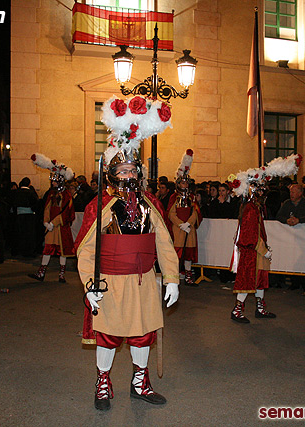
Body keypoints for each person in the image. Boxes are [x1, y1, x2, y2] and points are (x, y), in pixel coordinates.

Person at [76, 95, 179, 411]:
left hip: (144, 282)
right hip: (110, 283)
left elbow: (164, 243)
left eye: (132, 169)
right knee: (107, 337)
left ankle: (140, 383)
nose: (127, 175)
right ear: (109, 173)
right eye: (121, 170)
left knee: (142, 335)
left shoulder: (151, 204)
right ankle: (103, 383)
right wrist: (88, 286)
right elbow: (85, 251)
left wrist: (172, 279)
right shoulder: (99, 206)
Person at [228, 154, 301, 323]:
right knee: (247, 281)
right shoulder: (251, 209)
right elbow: (250, 235)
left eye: (262, 188)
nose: (262, 191)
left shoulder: (255, 207)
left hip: (258, 250)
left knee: (260, 279)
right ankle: (237, 310)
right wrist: (263, 250)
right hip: (252, 251)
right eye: (258, 188)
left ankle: (260, 308)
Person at [28, 153, 76, 282]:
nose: (53, 182)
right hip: (50, 227)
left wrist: (54, 223)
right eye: (52, 180)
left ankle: (61, 275)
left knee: (63, 251)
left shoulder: (66, 195)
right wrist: (45, 221)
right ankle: (41, 272)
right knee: (47, 249)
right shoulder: (51, 193)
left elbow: (67, 213)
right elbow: (47, 208)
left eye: (55, 180)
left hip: (61, 227)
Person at [166, 149, 202, 286]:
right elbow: (171, 213)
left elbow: (196, 211)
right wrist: (180, 224)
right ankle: (174, 275)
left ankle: (188, 275)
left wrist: (189, 223)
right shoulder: (174, 197)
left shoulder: (192, 197)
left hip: (189, 229)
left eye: (186, 183)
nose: (184, 185)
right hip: (178, 229)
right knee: (177, 254)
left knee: (188, 254)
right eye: (182, 183)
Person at [11, 177, 39, 258]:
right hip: (29, 215)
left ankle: (20, 250)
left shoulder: (16, 192)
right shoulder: (31, 193)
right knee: (29, 234)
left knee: (20, 233)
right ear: (29, 184)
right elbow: (35, 203)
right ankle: (29, 251)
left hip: (19, 215)